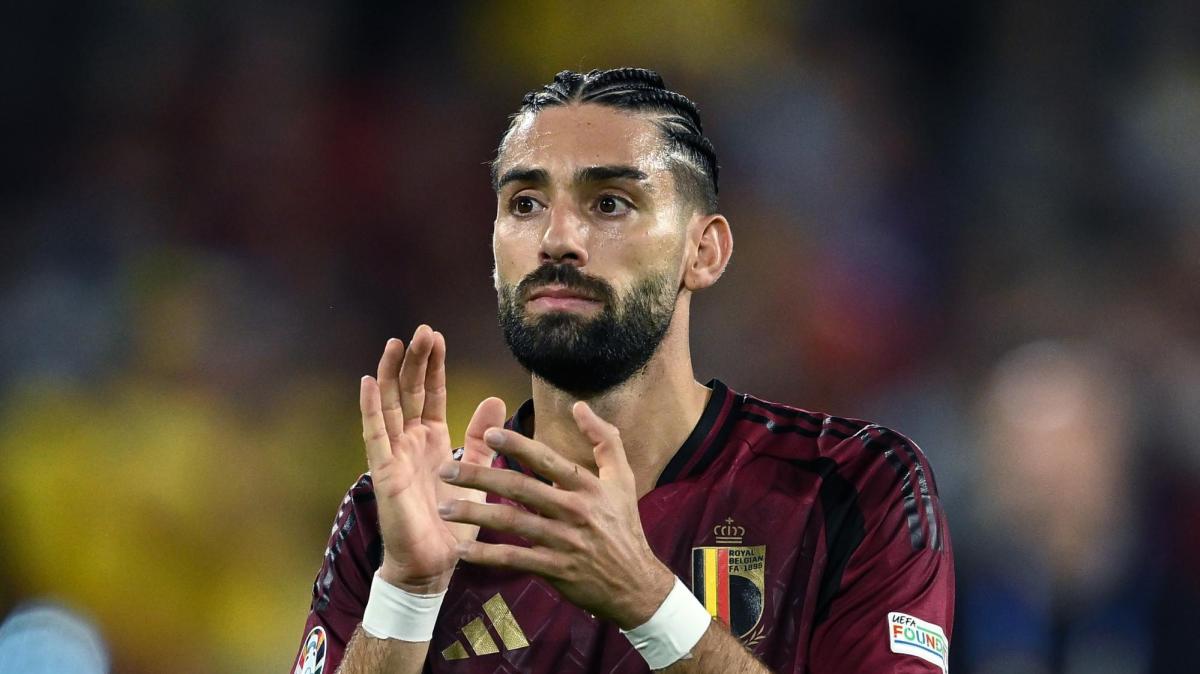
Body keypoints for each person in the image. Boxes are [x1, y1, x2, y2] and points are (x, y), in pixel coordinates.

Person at [292, 68, 954, 674]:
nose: (557, 239)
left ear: (704, 251)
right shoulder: (402, 519)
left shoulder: (852, 488)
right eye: (525, 204)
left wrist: (649, 602)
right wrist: (408, 596)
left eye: (609, 203)